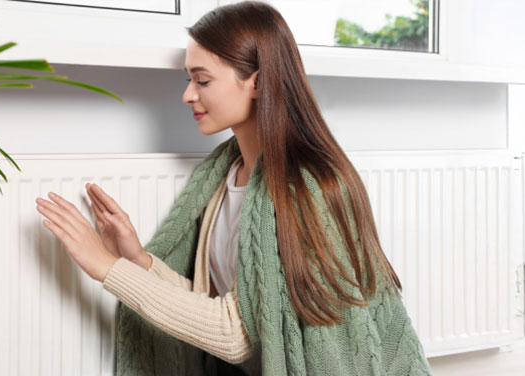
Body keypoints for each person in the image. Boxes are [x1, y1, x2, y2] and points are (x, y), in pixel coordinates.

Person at [34, 1, 433, 375]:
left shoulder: (306, 188)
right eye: (189, 79)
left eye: (202, 80)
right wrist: (139, 260)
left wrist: (106, 268)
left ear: (257, 82)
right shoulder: (226, 173)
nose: (188, 94)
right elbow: (231, 308)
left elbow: (235, 334)